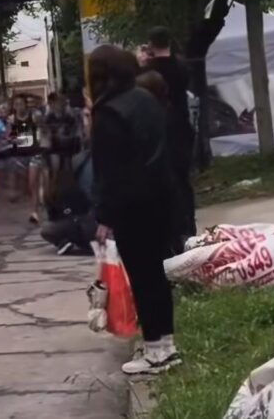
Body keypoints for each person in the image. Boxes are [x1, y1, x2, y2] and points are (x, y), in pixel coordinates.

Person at [89, 45, 180, 375]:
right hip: (161, 198)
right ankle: (166, 345)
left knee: (142, 279)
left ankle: (154, 351)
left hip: (132, 206)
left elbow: (111, 172)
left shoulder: (108, 113)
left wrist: (104, 216)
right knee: (156, 275)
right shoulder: (145, 100)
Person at [145, 26, 196, 241]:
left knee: (168, 180)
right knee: (184, 179)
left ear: (151, 44)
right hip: (182, 126)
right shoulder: (182, 65)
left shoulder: (150, 71)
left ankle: (175, 226)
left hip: (161, 129)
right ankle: (189, 224)